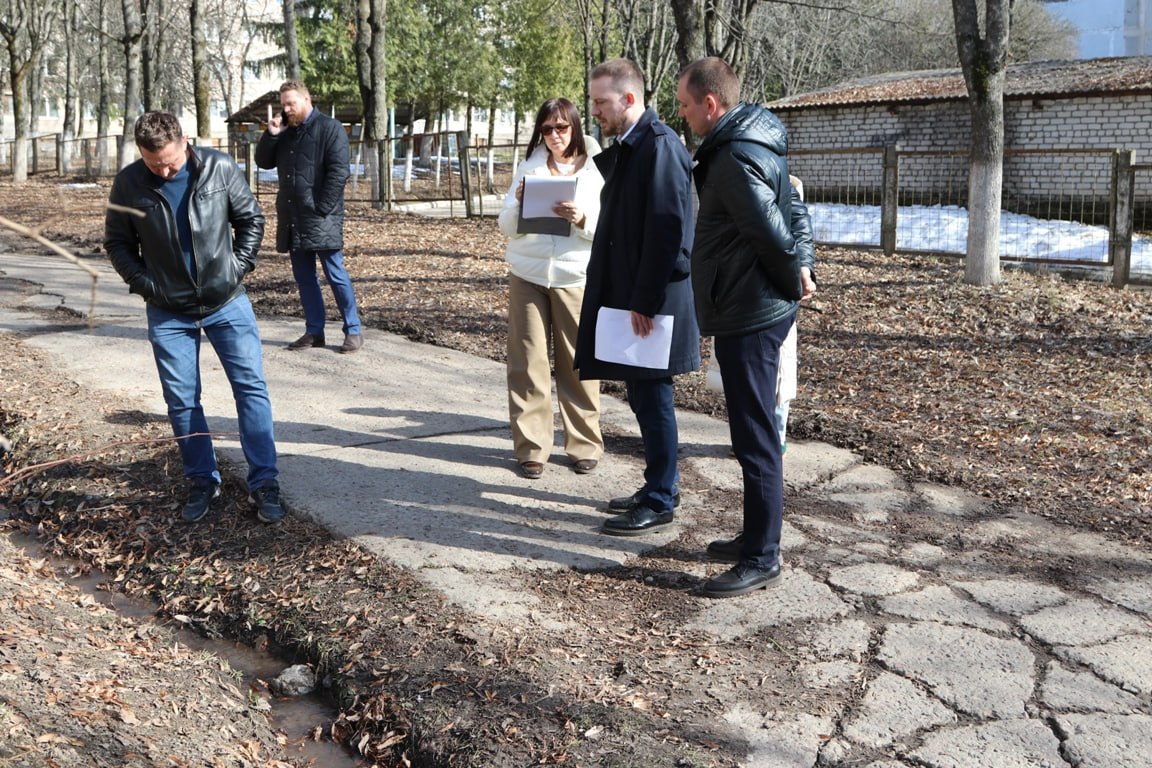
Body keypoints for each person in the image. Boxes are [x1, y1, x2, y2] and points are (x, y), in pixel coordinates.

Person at [676, 57, 814, 596]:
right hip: (751, 305)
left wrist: (791, 275)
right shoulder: (753, 143)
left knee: (756, 436)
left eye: (686, 106)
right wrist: (802, 270)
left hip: (751, 311)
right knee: (752, 430)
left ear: (711, 105)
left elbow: (772, 231)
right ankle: (755, 536)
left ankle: (762, 556)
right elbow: (795, 213)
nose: (683, 115)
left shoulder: (733, 156)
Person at [104, 111, 284, 525]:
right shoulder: (128, 183)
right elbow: (117, 242)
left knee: (250, 390)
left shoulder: (219, 167)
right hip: (168, 309)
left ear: (185, 142)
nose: (165, 171)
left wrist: (234, 269)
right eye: (155, 165)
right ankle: (203, 478)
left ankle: (265, 482)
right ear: (141, 155)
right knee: (182, 400)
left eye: (171, 161)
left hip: (227, 302)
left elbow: (251, 219)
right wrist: (149, 286)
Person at [574, 58, 700, 536]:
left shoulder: (661, 147)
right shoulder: (632, 145)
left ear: (629, 99)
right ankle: (657, 485)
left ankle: (662, 496)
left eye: (602, 102)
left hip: (653, 303)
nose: (596, 111)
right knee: (643, 396)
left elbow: (671, 233)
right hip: (634, 297)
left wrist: (645, 301)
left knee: (653, 396)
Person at [497, 98, 605, 479]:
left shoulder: (596, 168)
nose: (554, 136)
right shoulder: (529, 167)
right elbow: (506, 224)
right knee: (527, 363)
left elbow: (607, 227)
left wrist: (582, 218)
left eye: (561, 127)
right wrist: (520, 207)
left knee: (579, 364)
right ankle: (531, 448)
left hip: (575, 275)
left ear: (575, 126)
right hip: (528, 273)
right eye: (546, 129)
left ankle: (584, 444)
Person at [255, 80, 364, 353]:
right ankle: (314, 331)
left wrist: (322, 207)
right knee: (304, 278)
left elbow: (339, 171)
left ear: (307, 100)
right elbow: (263, 161)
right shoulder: (284, 133)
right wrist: (271, 134)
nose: (287, 109)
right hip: (292, 216)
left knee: (335, 274)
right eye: (284, 105)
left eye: (291, 103)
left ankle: (353, 330)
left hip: (321, 216)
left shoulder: (330, 128)